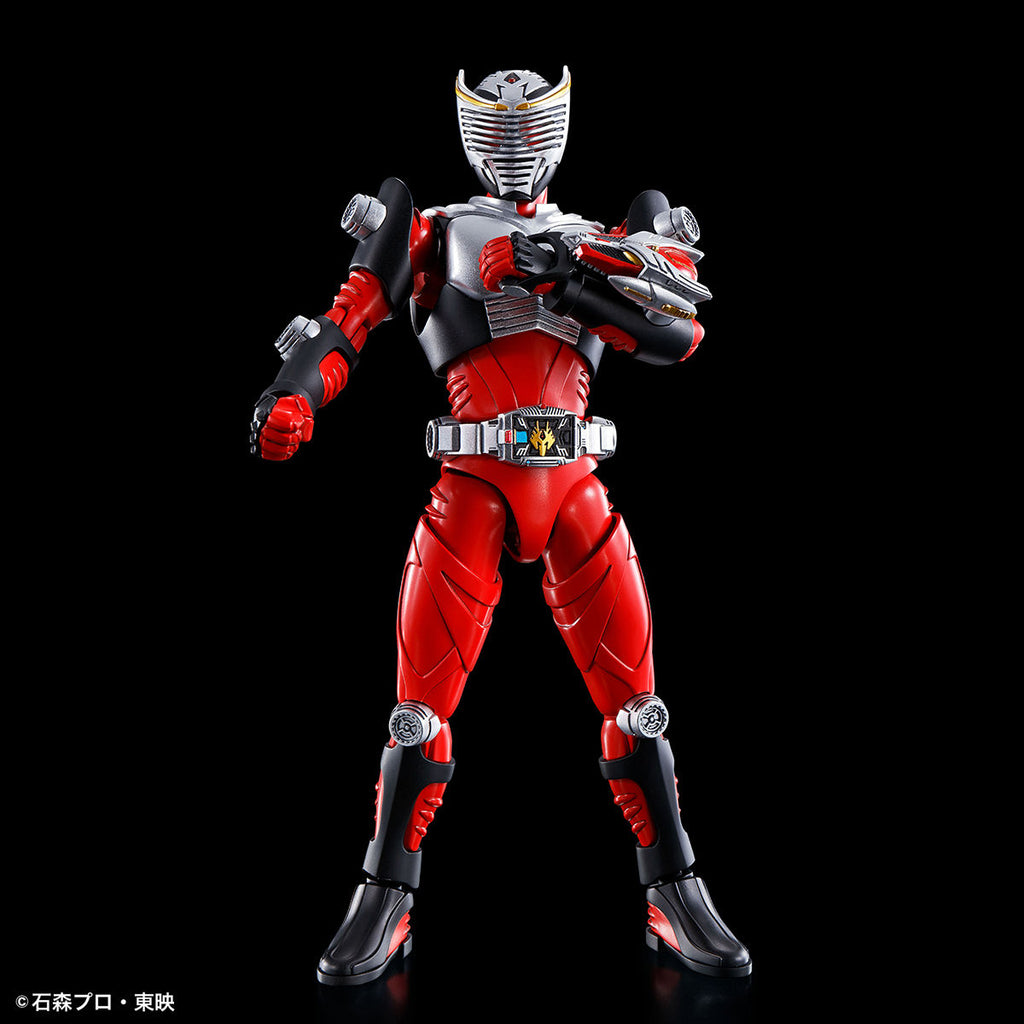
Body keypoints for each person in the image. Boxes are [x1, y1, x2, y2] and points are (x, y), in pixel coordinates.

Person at [251, 66, 751, 986]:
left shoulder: (606, 238)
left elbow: (680, 334)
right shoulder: (433, 228)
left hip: (575, 488)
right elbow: (347, 318)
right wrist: (295, 393)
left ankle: (674, 890)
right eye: (498, 126)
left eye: (532, 125)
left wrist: (572, 277)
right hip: (473, 486)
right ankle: (385, 896)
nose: (516, 145)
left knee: (637, 706)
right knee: (418, 712)